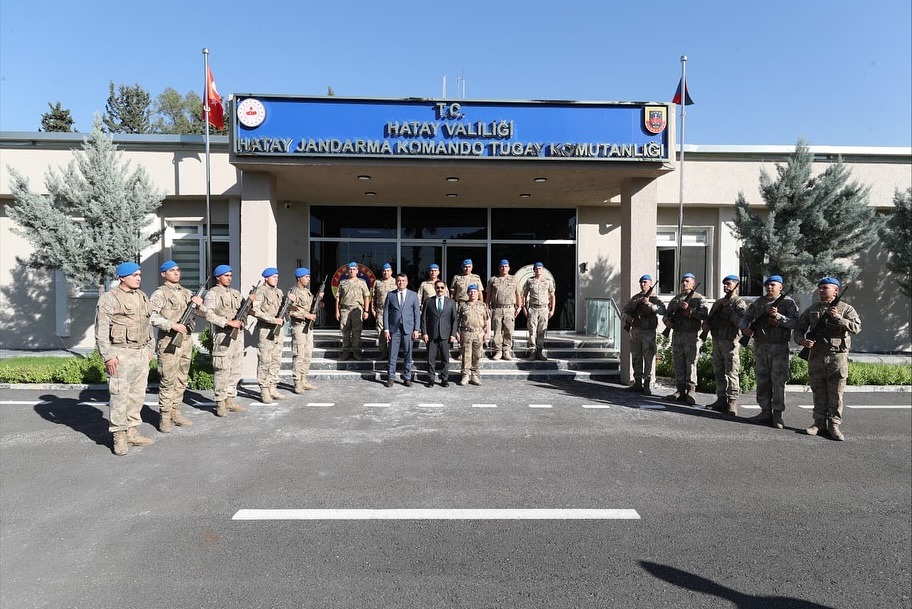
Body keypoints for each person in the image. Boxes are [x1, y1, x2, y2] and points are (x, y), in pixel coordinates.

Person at [95, 261, 155, 456]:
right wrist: (108, 356)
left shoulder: (142, 296)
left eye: (139, 274)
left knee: (137, 395)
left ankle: (132, 431)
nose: (138, 278)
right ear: (122, 277)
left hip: (141, 353)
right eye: (134, 275)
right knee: (120, 396)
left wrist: (150, 349)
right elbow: (101, 330)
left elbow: (148, 324)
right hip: (121, 354)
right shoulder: (109, 298)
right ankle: (119, 436)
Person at [795, 277, 861, 441]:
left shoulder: (846, 308)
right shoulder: (812, 309)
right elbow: (798, 329)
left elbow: (856, 327)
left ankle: (834, 425)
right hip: (816, 356)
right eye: (820, 288)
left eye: (826, 288)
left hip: (837, 357)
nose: (821, 290)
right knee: (818, 391)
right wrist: (803, 341)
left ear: (836, 290)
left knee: (836, 393)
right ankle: (818, 424)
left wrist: (838, 318)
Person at [150, 260, 206, 432]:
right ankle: (165, 417)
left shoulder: (187, 292)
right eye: (171, 270)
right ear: (164, 274)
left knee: (181, 379)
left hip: (186, 342)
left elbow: (203, 313)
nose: (176, 273)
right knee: (168, 380)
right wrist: (171, 325)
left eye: (177, 270)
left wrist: (199, 304)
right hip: (169, 342)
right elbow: (151, 316)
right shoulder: (160, 294)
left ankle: (176, 413)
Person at [739, 274, 799, 429]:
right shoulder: (759, 302)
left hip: (779, 347)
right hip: (760, 345)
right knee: (762, 380)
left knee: (778, 381)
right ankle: (765, 412)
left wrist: (777, 317)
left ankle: (777, 414)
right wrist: (744, 328)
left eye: (773, 285)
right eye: (768, 285)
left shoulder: (788, 303)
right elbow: (746, 317)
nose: (770, 287)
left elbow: (794, 323)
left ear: (781, 287)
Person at [203, 265, 252, 417]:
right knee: (222, 370)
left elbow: (245, 311)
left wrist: (250, 303)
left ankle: (230, 399)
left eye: (230, 275)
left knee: (235, 369)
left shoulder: (236, 293)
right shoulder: (212, 294)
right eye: (226, 275)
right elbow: (208, 314)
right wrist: (227, 322)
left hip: (238, 337)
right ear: (218, 277)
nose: (229, 278)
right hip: (223, 336)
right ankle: (220, 402)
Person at [702, 275, 747, 415]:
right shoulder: (718, 302)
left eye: (728, 283)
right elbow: (710, 318)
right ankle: (721, 399)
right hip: (717, 340)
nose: (726, 286)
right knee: (719, 371)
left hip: (730, 341)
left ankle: (732, 401)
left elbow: (742, 322)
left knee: (732, 372)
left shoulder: (739, 303)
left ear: (737, 286)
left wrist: (730, 310)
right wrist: (706, 325)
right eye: (724, 284)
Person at [662, 273, 708, 405]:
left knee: (691, 362)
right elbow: (667, 314)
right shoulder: (676, 299)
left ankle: (691, 389)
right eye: (683, 281)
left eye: (687, 281)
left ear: (693, 283)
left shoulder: (699, 298)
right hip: (677, 334)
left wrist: (691, 312)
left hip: (691, 334)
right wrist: (667, 322)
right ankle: (680, 390)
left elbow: (705, 314)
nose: (684, 283)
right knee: (678, 362)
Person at [622, 274, 666, 395]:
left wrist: (650, 305)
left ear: (650, 284)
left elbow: (663, 310)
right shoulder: (635, 298)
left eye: (645, 282)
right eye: (641, 282)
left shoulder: (655, 298)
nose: (643, 284)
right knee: (636, 357)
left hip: (648, 332)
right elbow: (624, 311)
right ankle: (637, 382)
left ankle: (647, 383)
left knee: (648, 358)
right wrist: (627, 318)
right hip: (636, 331)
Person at [252, 267, 287, 404]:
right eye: (273, 277)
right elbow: (255, 311)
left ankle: (273, 387)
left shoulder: (279, 292)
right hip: (265, 330)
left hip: (278, 330)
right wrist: (273, 320)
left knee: (276, 359)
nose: (276, 279)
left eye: (277, 277)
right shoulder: (260, 291)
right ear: (266, 278)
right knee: (265, 360)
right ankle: (264, 390)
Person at [288, 267, 323, 393]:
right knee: (299, 355)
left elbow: (312, 307)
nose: (308, 279)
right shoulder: (293, 292)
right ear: (299, 278)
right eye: (306, 277)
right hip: (299, 327)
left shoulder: (307, 292)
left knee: (307, 355)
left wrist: (318, 299)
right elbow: (291, 310)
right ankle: (297, 382)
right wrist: (306, 315)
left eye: (308, 276)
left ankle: (304, 379)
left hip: (308, 328)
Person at [383, 273, 421, 387]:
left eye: (403, 280)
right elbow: (386, 312)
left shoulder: (413, 295)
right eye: (399, 280)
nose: (401, 282)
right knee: (392, 354)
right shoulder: (390, 295)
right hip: (394, 329)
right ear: (396, 282)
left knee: (408, 354)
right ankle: (391, 377)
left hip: (408, 329)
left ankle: (407, 377)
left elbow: (416, 313)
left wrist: (417, 329)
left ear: (407, 282)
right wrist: (386, 329)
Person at [421, 280, 458, 387]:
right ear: (435, 288)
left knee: (445, 359)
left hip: (446, 335)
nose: (440, 289)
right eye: (437, 287)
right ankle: (431, 379)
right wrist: (424, 333)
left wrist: (453, 334)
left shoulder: (451, 302)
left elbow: (454, 319)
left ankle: (444, 379)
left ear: (445, 289)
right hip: (431, 334)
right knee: (431, 359)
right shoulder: (428, 301)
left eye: (442, 287)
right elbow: (423, 318)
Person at [486, 259, 522, 360]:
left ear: (509, 268)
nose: (504, 268)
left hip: (509, 308)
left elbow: (518, 294)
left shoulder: (514, 279)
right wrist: (487, 307)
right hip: (497, 308)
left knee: (509, 330)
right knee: (497, 330)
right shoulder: (493, 280)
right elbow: (488, 295)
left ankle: (506, 351)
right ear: (499, 268)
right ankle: (498, 351)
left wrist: (519, 306)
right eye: (502, 266)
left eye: (506, 266)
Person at [335, 262, 370, 361]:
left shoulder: (362, 283)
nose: (352, 271)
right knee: (345, 332)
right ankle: (345, 352)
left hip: (357, 309)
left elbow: (366, 297)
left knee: (357, 332)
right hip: (345, 309)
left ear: (357, 271)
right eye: (350, 269)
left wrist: (366, 311)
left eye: (354, 269)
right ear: (347, 271)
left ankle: (356, 352)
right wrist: (337, 311)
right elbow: (338, 298)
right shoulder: (343, 283)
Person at [456, 284, 490, 385]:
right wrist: (457, 332)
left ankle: (474, 375)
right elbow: (457, 320)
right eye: (470, 292)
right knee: (466, 354)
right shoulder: (463, 306)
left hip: (478, 333)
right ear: (467, 293)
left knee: (477, 355)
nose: (472, 293)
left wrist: (487, 332)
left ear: (478, 293)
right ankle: (465, 375)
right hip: (466, 332)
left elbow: (486, 320)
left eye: (474, 292)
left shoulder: (482, 305)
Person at [522, 262, 555, 360]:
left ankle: (539, 351)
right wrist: (524, 308)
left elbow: (552, 296)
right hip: (533, 308)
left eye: (540, 268)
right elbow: (524, 295)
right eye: (536, 268)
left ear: (542, 270)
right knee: (532, 330)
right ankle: (532, 351)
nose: (538, 270)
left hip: (544, 309)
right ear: (534, 270)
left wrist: (552, 310)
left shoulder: (548, 282)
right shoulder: (529, 281)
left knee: (541, 330)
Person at [372, 263, 396, 361]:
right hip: (381, 311)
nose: (386, 273)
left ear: (391, 272)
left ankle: (392, 352)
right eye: (384, 271)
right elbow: (373, 297)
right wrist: (372, 309)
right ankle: (383, 352)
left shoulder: (396, 281)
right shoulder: (377, 282)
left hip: (393, 311)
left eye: (388, 271)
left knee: (393, 331)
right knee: (381, 331)